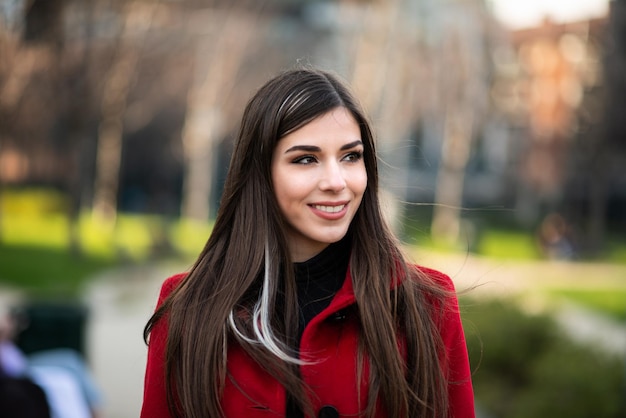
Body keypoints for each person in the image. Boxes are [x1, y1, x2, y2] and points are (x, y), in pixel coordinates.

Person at [141, 67, 475, 418]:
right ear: (261, 174)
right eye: (305, 159)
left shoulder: (427, 305)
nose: (336, 181)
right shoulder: (189, 309)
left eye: (351, 156)